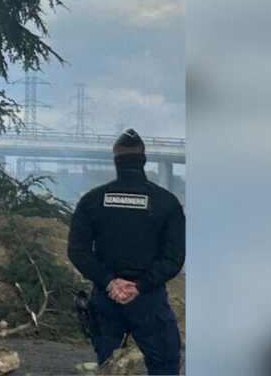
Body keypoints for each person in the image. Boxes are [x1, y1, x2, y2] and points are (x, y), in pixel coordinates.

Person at [66, 129, 185, 375]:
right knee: (165, 365)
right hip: (149, 301)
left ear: (116, 160)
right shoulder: (166, 202)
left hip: (106, 300)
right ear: (143, 160)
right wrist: (140, 286)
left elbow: (78, 251)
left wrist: (110, 283)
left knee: (109, 368)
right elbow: (174, 259)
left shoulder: (92, 201)